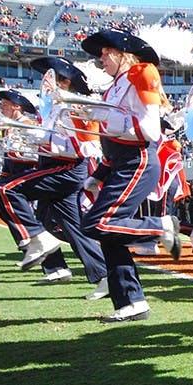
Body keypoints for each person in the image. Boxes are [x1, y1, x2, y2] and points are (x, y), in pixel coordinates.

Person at [80, 29, 182, 323]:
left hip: (137, 160)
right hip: (122, 162)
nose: (101, 59)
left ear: (120, 52)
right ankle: (131, 302)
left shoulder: (141, 73)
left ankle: (162, 227)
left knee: (98, 223)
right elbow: (112, 141)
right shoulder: (114, 86)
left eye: (104, 53)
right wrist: (99, 175)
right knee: (110, 236)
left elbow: (150, 130)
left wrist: (102, 116)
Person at [0, 58, 109, 296]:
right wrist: (35, 136)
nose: (46, 81)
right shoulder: (56, 106)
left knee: (5, 190)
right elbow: (50, 139)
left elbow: (83, 148)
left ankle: (34, 239)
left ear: (65, 81)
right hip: (57, 165)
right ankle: (104, 276)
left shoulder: (74, 106)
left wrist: (37, 136)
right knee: (74, 228)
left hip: (66, 168)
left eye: (52, 77)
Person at [0, 89, 41, 255]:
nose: (1, 108)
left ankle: (30, 239)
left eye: (5, 105)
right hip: (14, 169)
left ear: (17, 106)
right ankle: (25, 240)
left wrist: (18, 150)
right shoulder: (7, 128)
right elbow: (8, 157)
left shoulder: (29, 125)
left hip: (29, 169)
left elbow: (37, 152)